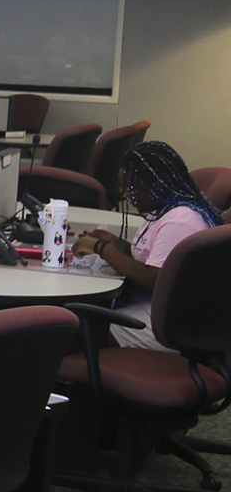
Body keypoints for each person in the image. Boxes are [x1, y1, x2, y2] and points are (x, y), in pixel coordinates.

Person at [75, 141, 223, 352]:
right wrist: (116, 243)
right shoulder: (164, 209)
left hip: (169, 321)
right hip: (162, 307)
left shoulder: (179, 222)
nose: (124, 192)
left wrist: (101, 248)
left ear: (153, 184)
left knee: (79, 331)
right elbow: (149, 257)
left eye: (129, 186)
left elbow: (153, 279)